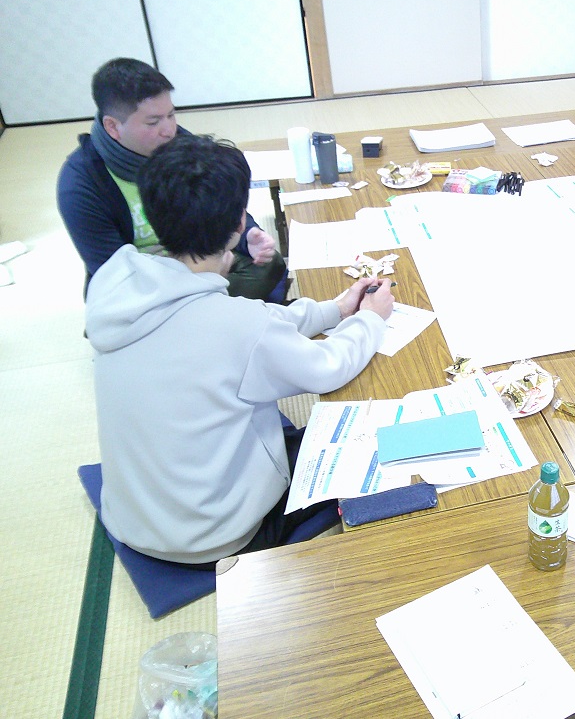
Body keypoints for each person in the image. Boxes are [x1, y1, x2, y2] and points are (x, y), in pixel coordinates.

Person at [85, 134, 394, 565]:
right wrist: (371, 319)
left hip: (134, 517)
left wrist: (335, 310)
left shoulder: (117, 280)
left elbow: (248, 321)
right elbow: (328, 367)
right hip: (215, 534)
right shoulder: (236, 326)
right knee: (378, 443)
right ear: (238, 224)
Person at [57, 57, 286, 300]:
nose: (169, 130)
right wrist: (203, 275)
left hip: (199, 256)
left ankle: (209, 307)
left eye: (171, 115)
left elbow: (219, 201)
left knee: (270, 264)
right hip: (144, 287)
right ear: (113, 127)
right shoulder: (81, 186)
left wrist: (247, 235)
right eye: (153, 122)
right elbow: (115, 276)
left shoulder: (177, 143)